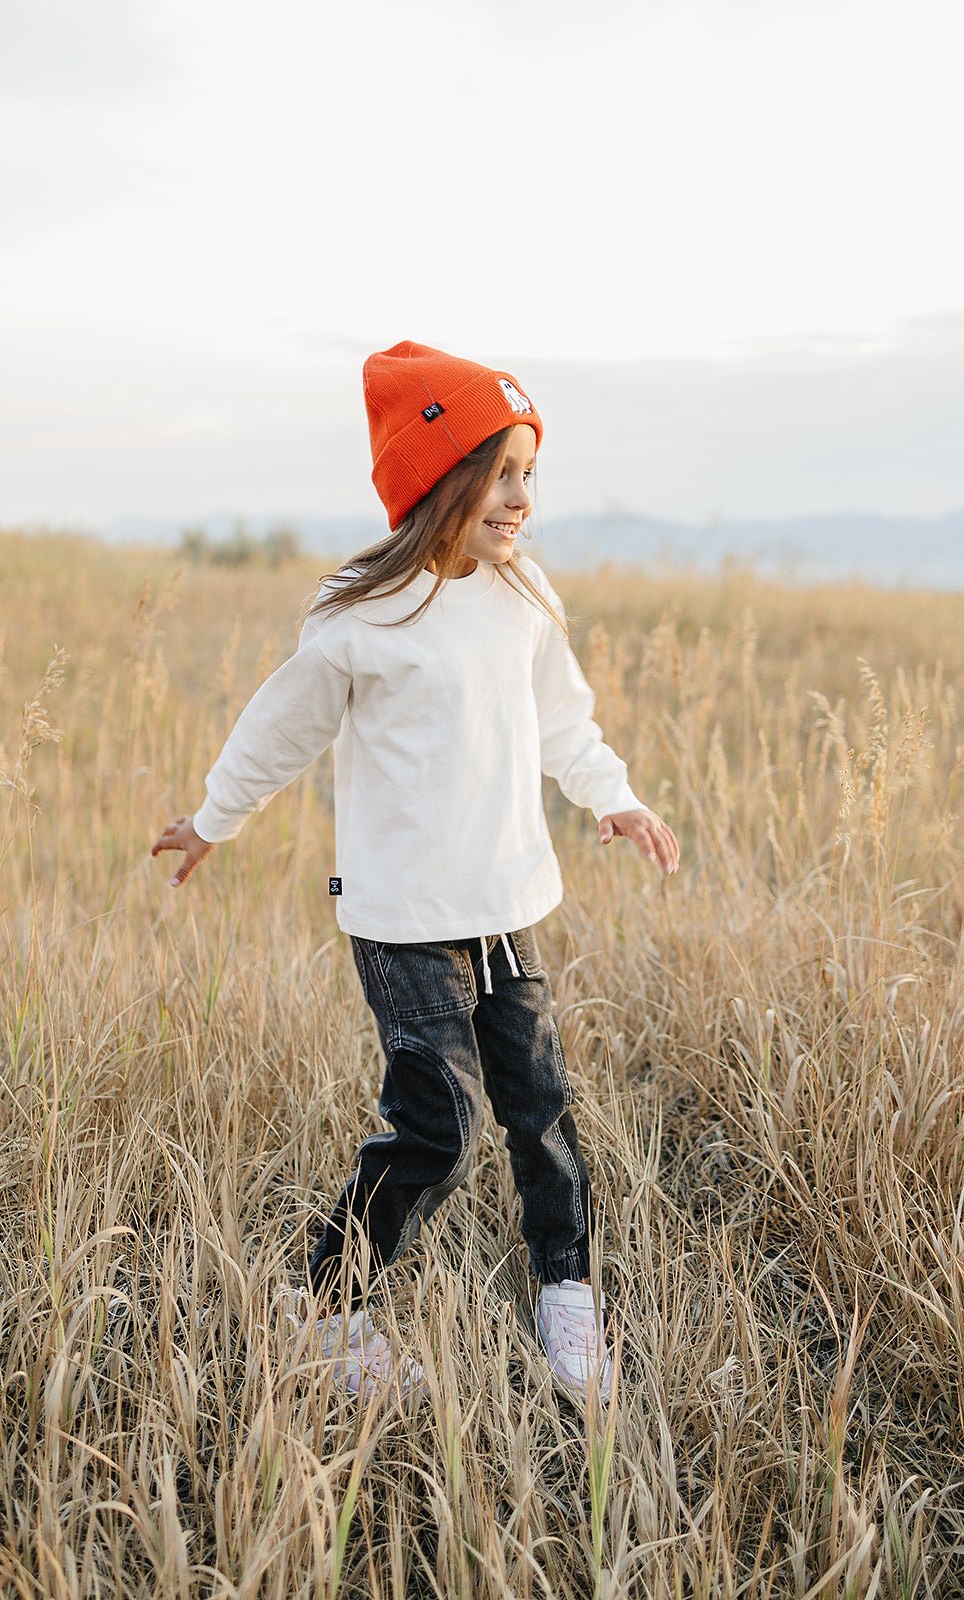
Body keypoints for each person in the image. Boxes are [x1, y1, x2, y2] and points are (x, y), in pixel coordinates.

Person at [152, 340, 679, 1405]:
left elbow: (560, 720)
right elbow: (279, 727)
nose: (524, 499)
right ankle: (332, 1300)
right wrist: (215, 818)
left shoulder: (519, 594)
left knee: (540, 1109)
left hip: (505, 904)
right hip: (401, 920)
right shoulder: (360, 617)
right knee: (437, 1121)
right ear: (440, 477)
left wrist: (611, 794)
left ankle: (565, 1290)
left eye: (532, 474)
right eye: (505, 473)